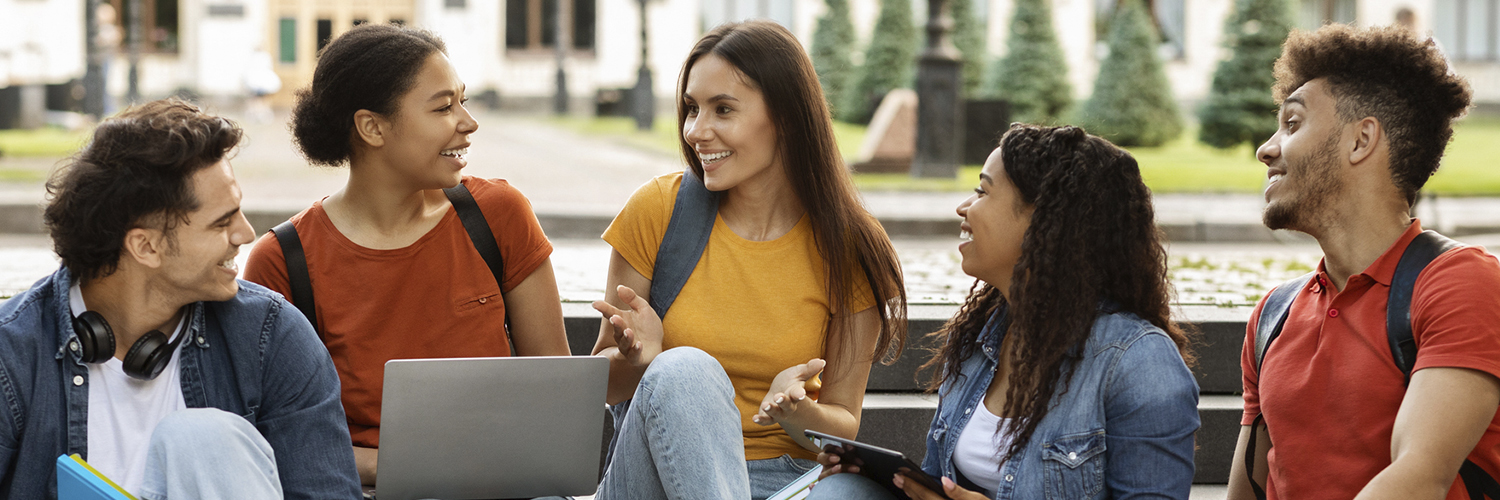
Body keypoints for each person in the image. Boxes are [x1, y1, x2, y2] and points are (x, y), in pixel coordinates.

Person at [588, 20, 907, 499]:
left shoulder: (850, 245)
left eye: (723, 110)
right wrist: (638, 360)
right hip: (655, 475)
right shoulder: (656, 210)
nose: (696, 131)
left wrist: (797, 412)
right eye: (692, 109)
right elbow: (605, 390)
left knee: (866, 494)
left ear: (786, 116)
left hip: (784, 479)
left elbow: (843, 423)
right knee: (683, 369)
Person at [242, 24, 570, 486]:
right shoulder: (283, 259)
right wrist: (404, 467)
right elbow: (272, 437)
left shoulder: (498, 215)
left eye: (463, 101)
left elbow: (554, 393)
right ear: (372, 127)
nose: (468, 122)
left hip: (502, 487)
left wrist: (629, 363)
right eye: (443, 107)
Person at [807, 124, 1201, 500]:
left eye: (982, 192)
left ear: (1045, 220)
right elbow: (942, 478)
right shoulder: (986, 334)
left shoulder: (1138, 362)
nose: (963, 207)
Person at [0, 99, 361, 499]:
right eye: (222, 222)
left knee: (201, 438)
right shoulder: (10, 355)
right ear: (146, 246)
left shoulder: (272, 339)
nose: (245, 234)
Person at [1227, 25, 1500, 500]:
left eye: (1292, 124)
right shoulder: (1273, 314)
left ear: (1361, 140)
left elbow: (1419, 478)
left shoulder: (1460, 284)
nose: (1265, 148)